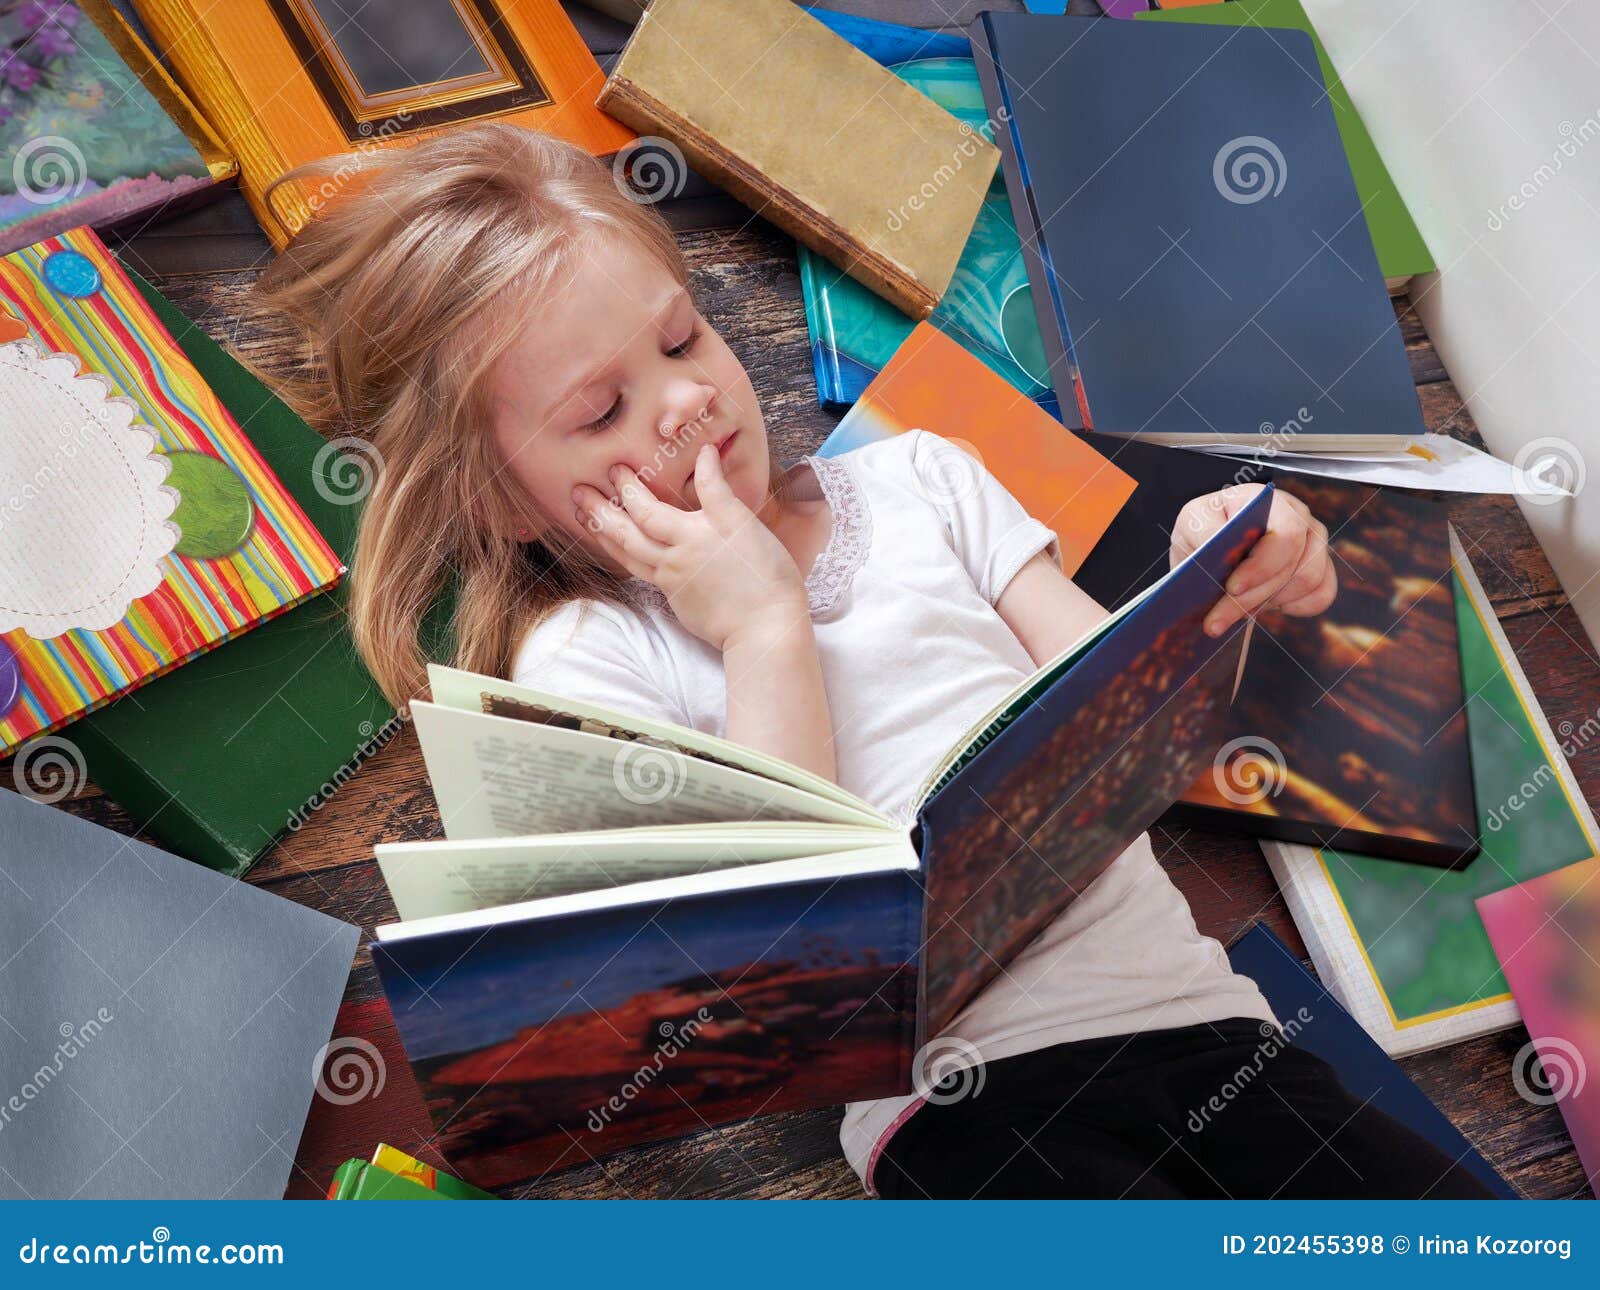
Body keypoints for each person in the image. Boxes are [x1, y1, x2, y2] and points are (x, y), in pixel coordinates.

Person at [252, 123, 1494, 1199]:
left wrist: (1218, 575)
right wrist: (759, 626)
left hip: (1206, 1024)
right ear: (502, 505)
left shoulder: (919, 480)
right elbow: (786, 971)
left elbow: (1131, 723)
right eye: (599, 412)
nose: (681, 402)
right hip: (965, 1109)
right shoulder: (590, 658)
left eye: (681, 341)